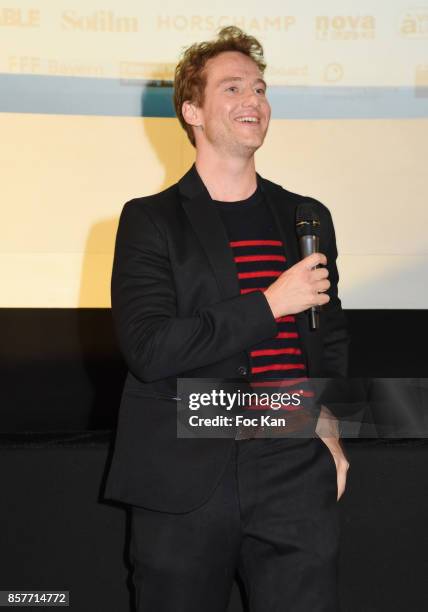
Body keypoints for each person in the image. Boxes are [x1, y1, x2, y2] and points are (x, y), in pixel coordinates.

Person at [104, 26, 350, 612]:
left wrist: (326, 419)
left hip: (292, 464)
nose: (254, 101)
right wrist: (270, 304)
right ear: (192, 109)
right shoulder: (151, 220)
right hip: (187, 470)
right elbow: (151, 348)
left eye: (260, 89)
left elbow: (328, 339)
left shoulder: (304, 215)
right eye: (233, 87)